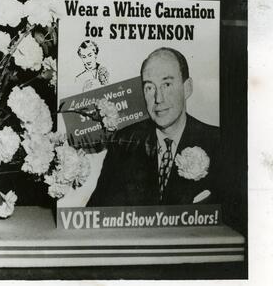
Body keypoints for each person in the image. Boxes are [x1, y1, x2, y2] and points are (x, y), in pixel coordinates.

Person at [88, 47, 220, 207]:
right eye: (149, 87)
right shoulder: (123, 142)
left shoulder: (218, 142)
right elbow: (97, 212)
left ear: (187, 88)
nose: (158, 98)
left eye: (167, 84)